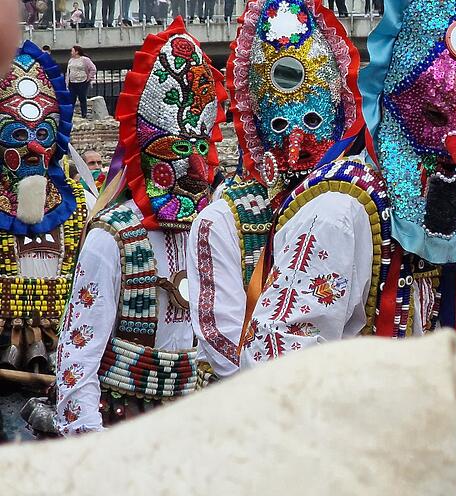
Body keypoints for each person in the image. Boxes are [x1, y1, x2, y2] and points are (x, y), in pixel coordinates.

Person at [241, 0, 456, 424]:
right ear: (389, 100)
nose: (455, 151)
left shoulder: (444, 217)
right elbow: (278, 360)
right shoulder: (340, 212)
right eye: (433, 116)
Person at [54, 19, 223, 434]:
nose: (197, 168)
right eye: (180, 148)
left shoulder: (211, 230)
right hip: (123, 427)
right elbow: (78, 359)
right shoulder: (111, 238)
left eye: (202, 147)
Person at [185, 0, 361, 382]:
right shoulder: (222, 221)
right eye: (280, 124)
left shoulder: (354, 209)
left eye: (313, 121)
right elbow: (222, 340)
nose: (296, 146)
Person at [0, 42, 90, 439]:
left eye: (43, 133)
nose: (34, 147)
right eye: (18, 134)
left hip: (64, 368)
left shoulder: (80, 206)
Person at [65, 46, 95, 120]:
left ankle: (84, 114)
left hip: (82, 81)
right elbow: (68, 71)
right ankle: (70, 115)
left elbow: (93, 69)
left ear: (77, 52)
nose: (71, 52)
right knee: (71, 99)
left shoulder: (85, 60)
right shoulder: (70, 60)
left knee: (82, 98)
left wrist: (89, 78)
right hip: (72, 82)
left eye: (72, 51)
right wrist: (67, 82)